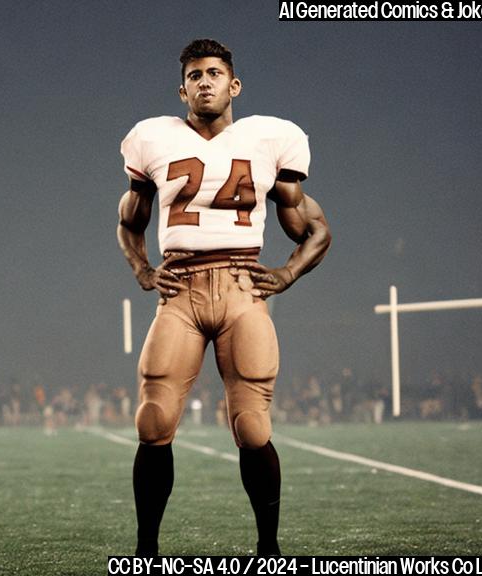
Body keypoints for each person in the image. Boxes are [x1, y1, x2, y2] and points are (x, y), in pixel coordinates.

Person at [117, 39, 331, 556]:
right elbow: (129, 220)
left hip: (240, 289)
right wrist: (143, 268)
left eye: (215, 73)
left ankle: (269, 550)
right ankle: (147, 552)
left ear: (233, 85)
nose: (205, 82)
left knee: (254, 428)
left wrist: (285, 275)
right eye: (195, 75)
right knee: (153, 422)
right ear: (183, 88)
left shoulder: (268, 138)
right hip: (182, 290)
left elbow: (315, 229)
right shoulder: (153, 138)